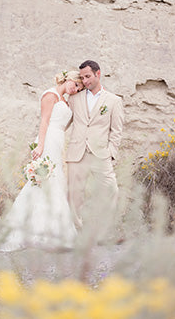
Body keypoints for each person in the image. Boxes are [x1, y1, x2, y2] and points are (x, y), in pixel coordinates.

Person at [0, 70, 83, 252]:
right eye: (75, 85)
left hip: (58, 141)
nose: (76, 90)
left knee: (55, 182)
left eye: (79, 88)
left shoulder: (66, 101)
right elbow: (44, 121)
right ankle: (38, 233)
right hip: (47, 140)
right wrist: (40, 145)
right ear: (69, 79)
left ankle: (52, 232)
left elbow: (64, 124)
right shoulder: (50, 95)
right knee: (43, 182)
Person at [66, 60, 124, 237]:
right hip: (77, 152)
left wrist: (111, 154)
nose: (85, 81)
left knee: (111, 190)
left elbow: (117, 130)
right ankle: (77, 231)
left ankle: (104, 232)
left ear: (98, 74)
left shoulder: (114, 101)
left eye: (88, 76)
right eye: (82, 77)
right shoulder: (74, 99)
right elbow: (65, 121)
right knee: (75, 194)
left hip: (100, 154)